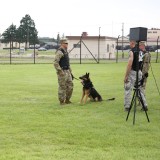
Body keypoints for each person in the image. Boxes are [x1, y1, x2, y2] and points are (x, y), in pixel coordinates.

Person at [124, 40, 148, 111]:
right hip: (139, 72)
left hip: (133, 72)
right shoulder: (141, 51)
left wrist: (126, 76)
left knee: (128, 88)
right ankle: (144, 105)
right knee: (139, 89)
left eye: (129, 43)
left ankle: (127, 106)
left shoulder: (132, 51)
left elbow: (130, 64)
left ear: (132, 43)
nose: (129, 44)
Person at [53, 39, 73, 105]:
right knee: (62, 86)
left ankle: (67, 100)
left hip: (67, 71)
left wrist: (70, 70)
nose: (67, 44)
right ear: (62, 43)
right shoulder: (59, 52)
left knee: (70, 86)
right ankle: (62, 101)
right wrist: (60, 71)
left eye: (67, 43)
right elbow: (55, 62)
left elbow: (67, 62)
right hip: (62, 71)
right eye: (65, 43)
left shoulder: (65, 51)